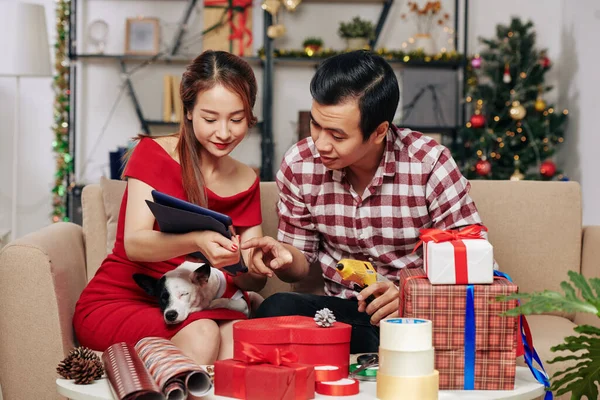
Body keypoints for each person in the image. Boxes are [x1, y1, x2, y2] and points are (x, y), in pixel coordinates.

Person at [242, 50, 486, 354]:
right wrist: (286, 257)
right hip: (345, 314)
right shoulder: (299, 163)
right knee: (276, 309)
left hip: (418, 314)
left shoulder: (429, 164)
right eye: (316, 125)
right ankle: (369, 352)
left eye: (337, 135)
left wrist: (411, 297)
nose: (320, 144)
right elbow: (300, 265)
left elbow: (472, 263)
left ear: (379, 132)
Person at [73, 50, 266, 364]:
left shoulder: (247, 180)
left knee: (237, 338)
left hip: (201, 303)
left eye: (237, 119)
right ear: (189, 111)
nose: (224, 132)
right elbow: (134, 243)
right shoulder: (153, 152)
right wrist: (197, 241)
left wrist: (250, 264)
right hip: (126, 298)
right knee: (204, 332)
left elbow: (253, 281)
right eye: (210, 118)